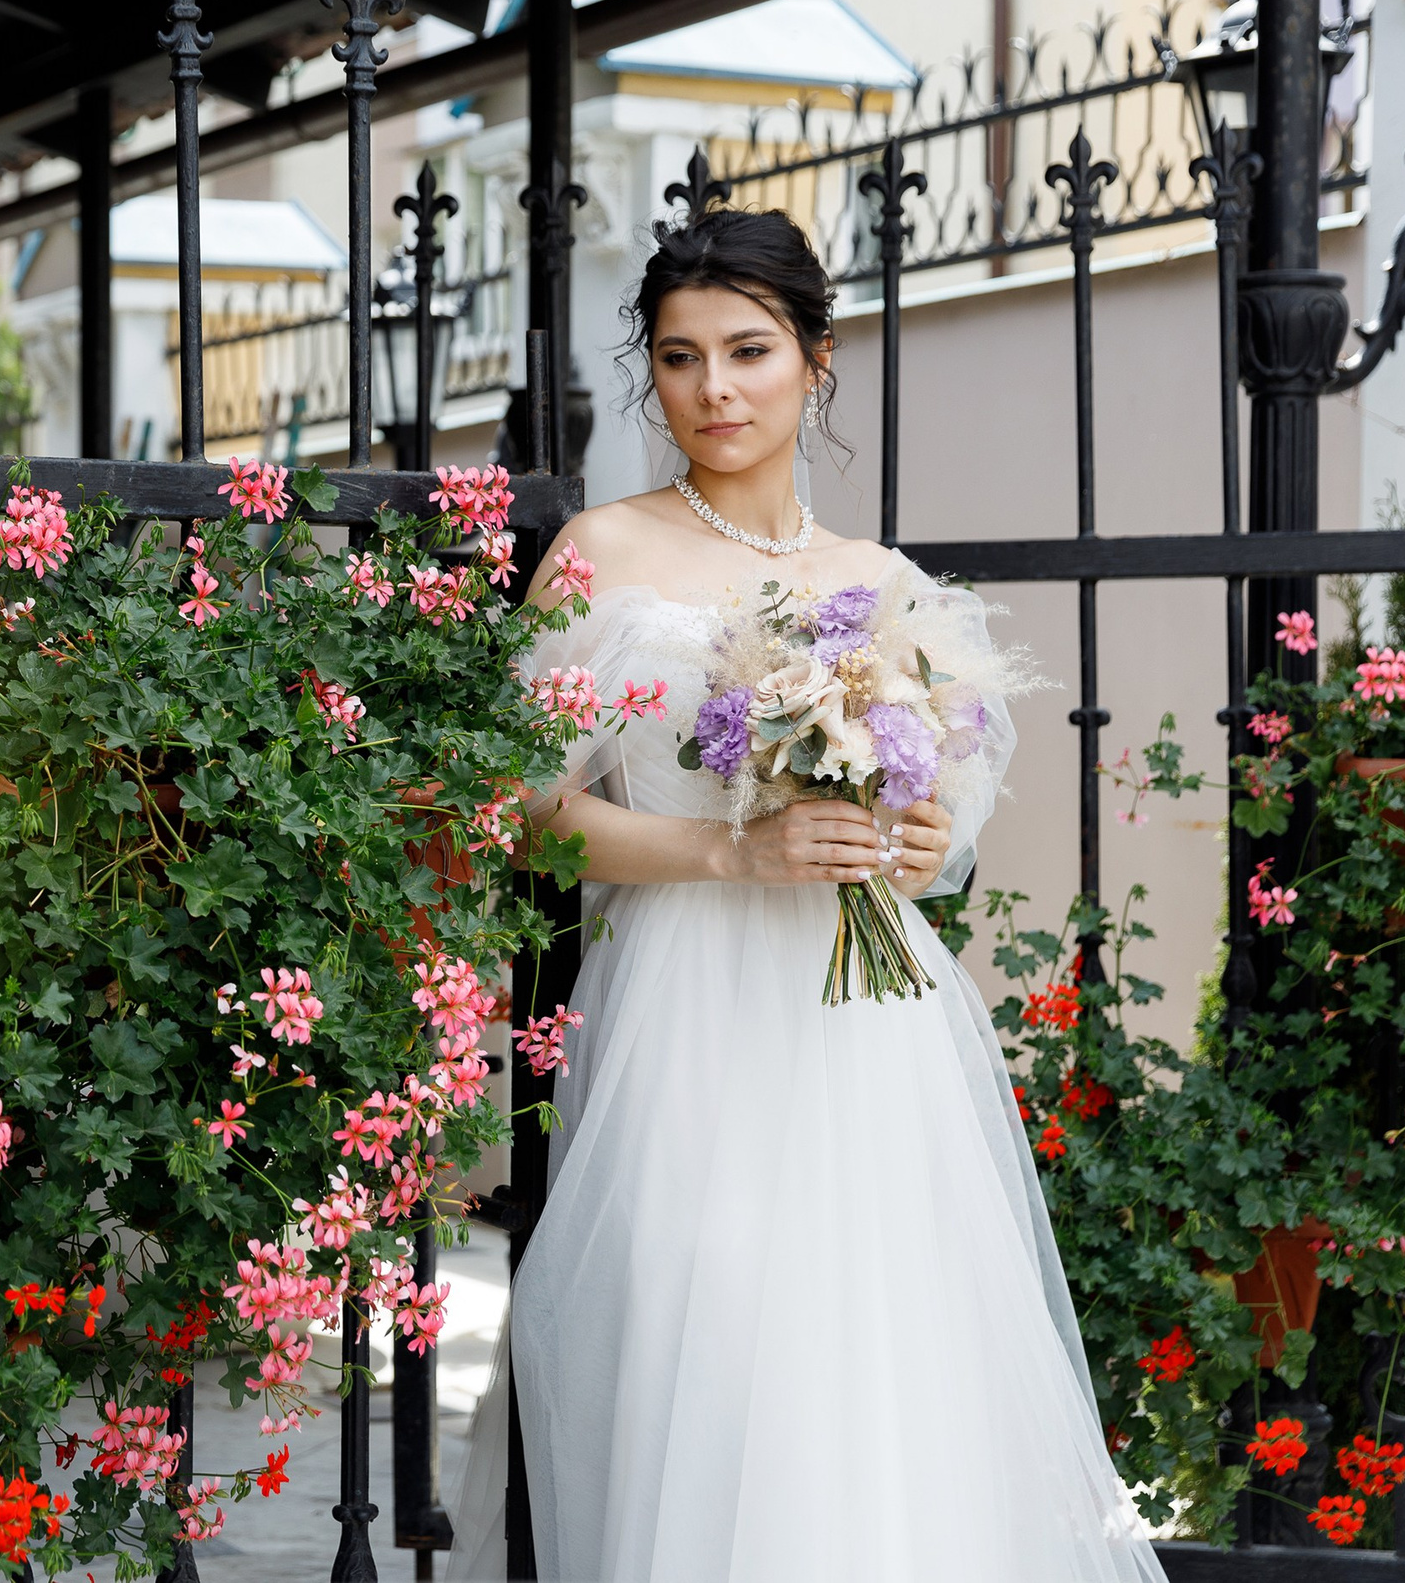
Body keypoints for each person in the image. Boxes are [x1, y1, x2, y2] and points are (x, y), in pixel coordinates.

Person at [445, 207, 1163, 1581]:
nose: (714, 389)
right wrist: (728, 851)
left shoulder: (881, 588)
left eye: (750, 352)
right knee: (704, 1362)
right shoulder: (602, 554)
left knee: (884, 1381)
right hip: (685, 1028)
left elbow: (938, 831)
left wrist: (911, 834)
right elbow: (518, 814)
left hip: (872, 1042)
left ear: (817, 361)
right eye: (678, 357)